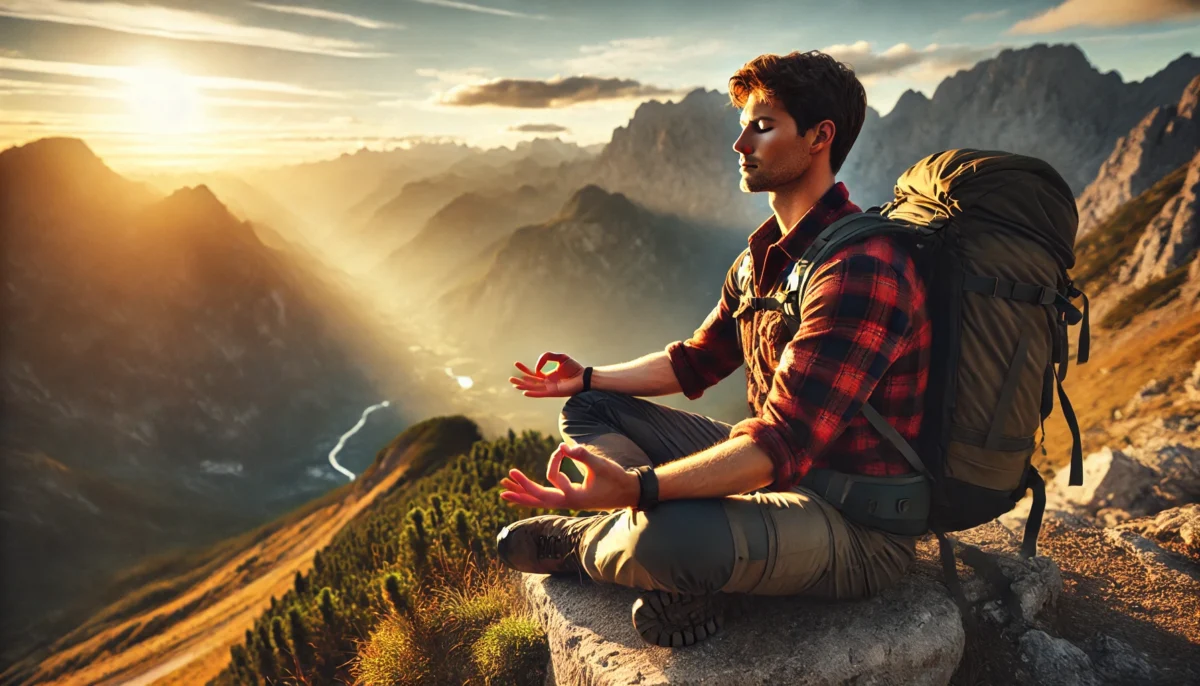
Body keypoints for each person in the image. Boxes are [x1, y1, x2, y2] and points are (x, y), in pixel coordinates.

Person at [495, 49, 932, 648]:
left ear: (818, 138)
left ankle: (588, 542)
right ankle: (649, 535)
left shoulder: (861, 269)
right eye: (743, 127)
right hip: (774, 478)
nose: (740, 145)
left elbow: (781, 442)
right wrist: (589, 376)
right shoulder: (762, 262)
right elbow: (693, 361)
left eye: (762, 126)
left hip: (855, 525)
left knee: (671, 538)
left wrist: (642, 488)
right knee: (591, 408)